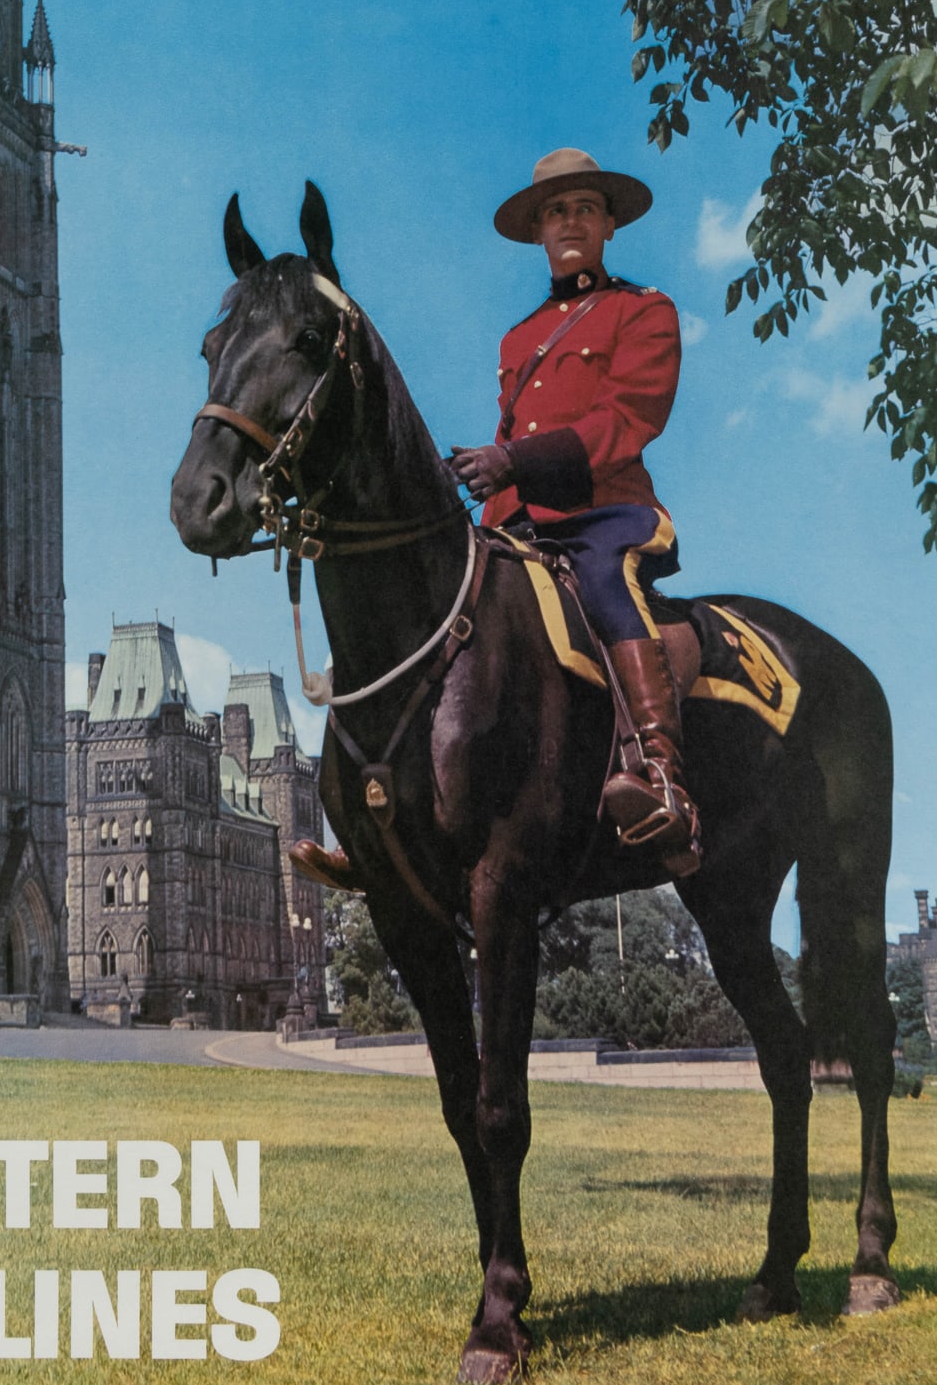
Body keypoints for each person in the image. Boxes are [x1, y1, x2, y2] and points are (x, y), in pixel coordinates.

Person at [288, 146, 698, 898]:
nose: (569, 223)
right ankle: (374, 820)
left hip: (603, 512)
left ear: (607, 224)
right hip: (517, 524)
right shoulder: (520, 335)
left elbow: (628, 418)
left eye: (583, 208)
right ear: (540, 231)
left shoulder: (644, 310)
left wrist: (513, 460)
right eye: (555, 212)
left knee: (607, 586)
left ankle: (663, 776)